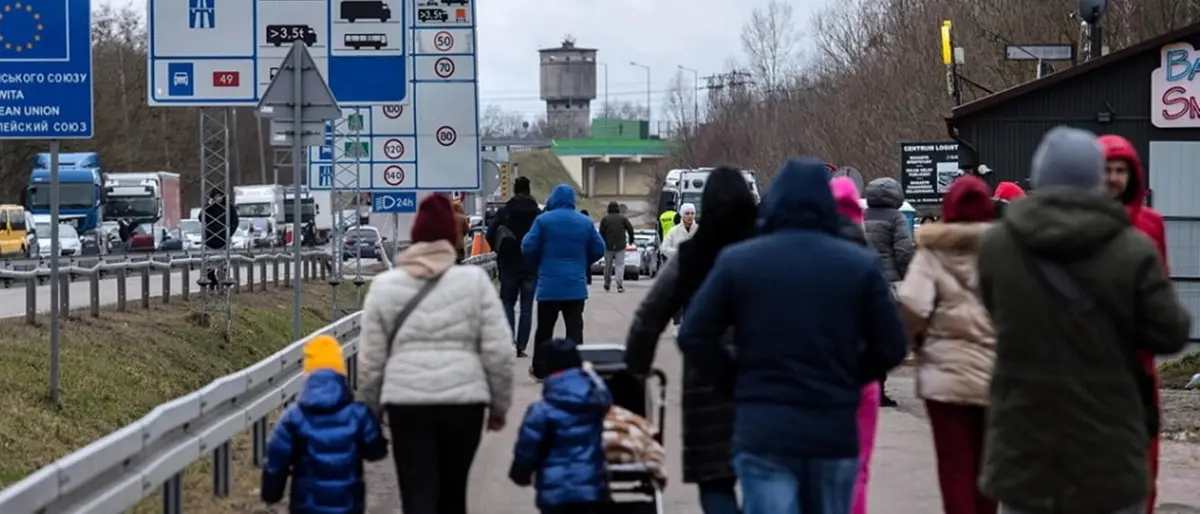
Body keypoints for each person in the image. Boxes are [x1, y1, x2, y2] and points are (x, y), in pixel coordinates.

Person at [976, 126, 1190, 514]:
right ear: (1095, 178)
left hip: (1024, 447)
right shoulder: (1132, 247)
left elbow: (991, 313)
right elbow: (1170, 331)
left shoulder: (997, 247)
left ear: (1039, 177)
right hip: (1108, 447)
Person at [677, 158, 908, 514]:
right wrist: (849, 376)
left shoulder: (740, 262)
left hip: (763, 429)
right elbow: (892, 344)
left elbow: (693, 334)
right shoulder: (857, 264)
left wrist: (736, 379)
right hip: (832, 428)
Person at [357, 194, 515, 514]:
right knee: (453, 493)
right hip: (464, 404)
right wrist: (499, 404)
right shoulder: (475, 283)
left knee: (417, 492)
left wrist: (371, 411)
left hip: (406, 404)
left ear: (416, 236)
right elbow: (498, 350)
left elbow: (371, 359)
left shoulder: (386, 287)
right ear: (453, 237)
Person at [625, 166, 758, 514]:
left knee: (715, 479)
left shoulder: (691, 256)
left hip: (706, 383)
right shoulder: (766, 252)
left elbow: (648, 318)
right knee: (765, 474)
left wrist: (635, 371)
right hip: (763, 378)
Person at [896, 175, 997, 514]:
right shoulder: (1006, 255)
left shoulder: (932, 255)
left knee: (955, 465)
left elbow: (912, 304)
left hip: (944, 377)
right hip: (996, 376)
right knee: (987, 466)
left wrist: (917, 342)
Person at [1098, 134, 1169, 514]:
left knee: (1143, 460)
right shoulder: (1079, 225)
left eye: (1120, 170)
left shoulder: (1152, 224)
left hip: (1138, 364)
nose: (1113, 177)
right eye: (1106, 169)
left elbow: (1162, 285)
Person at [261, 335, 389, 513]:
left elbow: (276, 460)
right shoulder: (357, 415)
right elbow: (376, 451)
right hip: (349, 506)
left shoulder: (294, 417)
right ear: (340, 370)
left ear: (307, 372)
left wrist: (271, 493)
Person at [510, 338, 613, 514]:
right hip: (592, 488)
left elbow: (527, 448)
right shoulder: (597, 401)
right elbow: (604, 394)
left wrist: (521, 474)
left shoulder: (541, 410)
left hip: (555, 494)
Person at [830, 176, 881, 514]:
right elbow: (889, 332)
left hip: (822, 375)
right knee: (858, 468)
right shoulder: (867, 260)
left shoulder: (811, 258)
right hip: (862, 378)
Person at [522, 184, 606, 379]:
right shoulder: (584, 222)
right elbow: (599, 247)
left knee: (544, 330)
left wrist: (539, 262)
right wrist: (583, 262)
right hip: (575, 285)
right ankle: (575, 369)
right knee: (574, 330)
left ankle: (540, 369)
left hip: (549, 286)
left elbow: (527, 246)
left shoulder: (543, 221)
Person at [863, 177, 915, 408]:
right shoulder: (896, 218)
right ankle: (879, 389)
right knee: (882, 336)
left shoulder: (862, 216)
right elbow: (904, 251)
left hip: (862, 280)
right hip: (888, 282)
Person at [486, 177, 542, 358]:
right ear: (529, 190)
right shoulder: (537, 214)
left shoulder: (505, 211)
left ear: (514, 189)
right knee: (527, 309)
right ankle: (521, 346)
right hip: (530, 266)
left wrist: (499, 250)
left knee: (507, 303)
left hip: (508, 264)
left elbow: (489, 234)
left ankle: (509, 341)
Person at [201, 187, 238, 290]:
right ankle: (212, 282)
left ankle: (222, 283)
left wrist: (229, 233)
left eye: (220, 196)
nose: (218, 198)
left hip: (223, 240)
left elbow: (235, 221)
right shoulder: (208, 207)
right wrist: (209, 205)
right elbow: (201, 218)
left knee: (223, 264)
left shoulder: (229, 207)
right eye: (216, 196)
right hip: (209, 240)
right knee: (209, 265)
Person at [598, 201, 635, 293]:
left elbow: (601, 233)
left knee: (608, 266)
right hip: (620, 245)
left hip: (608, 245)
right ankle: (619, 284)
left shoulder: (605, 219)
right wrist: (631, 239)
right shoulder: (623, 219)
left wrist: (601, 243)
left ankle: (607, 283)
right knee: (619, 265)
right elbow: (630, 229)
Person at [452, 197, 470, 263]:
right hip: (459, 245)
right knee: (459, 262)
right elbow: (467, 229)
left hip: (449, 244)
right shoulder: (462, 218)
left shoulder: (447, 216)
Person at [580, 209, 594, 285]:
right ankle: (588, 278)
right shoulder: (589, 223)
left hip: (580, 245)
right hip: (587, 245)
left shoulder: (577, 222)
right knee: (587, 264)